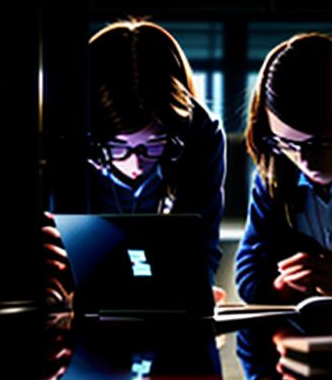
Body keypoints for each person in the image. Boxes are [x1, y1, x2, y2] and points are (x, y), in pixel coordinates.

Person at [44, 18, 227, 307]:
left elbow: (201, 245)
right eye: (118, 147)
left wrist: (195, 290)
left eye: (153, 144)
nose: (137, 166)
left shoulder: (199, 134)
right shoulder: (63, 137)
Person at [235, 31, 332, 379]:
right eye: (287, 142)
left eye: (323, 142)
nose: (306, 160)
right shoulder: (274, 176)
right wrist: (284, 286)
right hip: (302, 343)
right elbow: (248, 275)